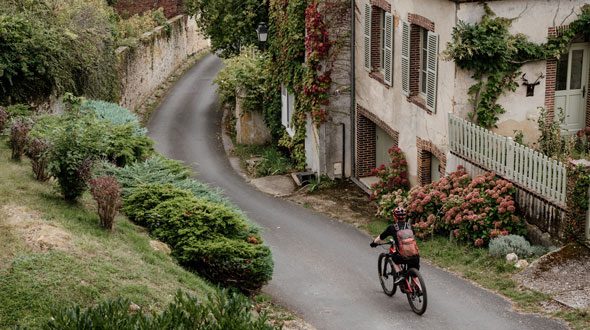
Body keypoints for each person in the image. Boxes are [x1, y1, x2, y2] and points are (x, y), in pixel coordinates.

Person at [370, 206, 420, 284]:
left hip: (402, 257)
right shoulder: (410, 227)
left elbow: (381, 237)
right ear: (405, 217)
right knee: (414, 275)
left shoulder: (392, 227)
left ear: (394, 217)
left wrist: (374, 242)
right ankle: (418, 289)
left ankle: (400, 274)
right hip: (415, 255)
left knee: (393, 258)